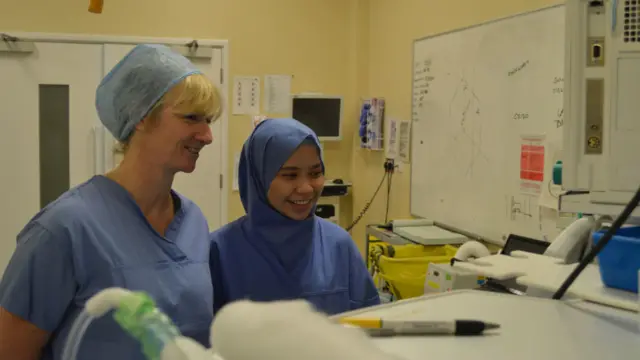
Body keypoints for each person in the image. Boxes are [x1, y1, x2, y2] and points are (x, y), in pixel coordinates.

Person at [0, 44, 222, 360]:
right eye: (192, 118)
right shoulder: (64, 229)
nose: (207, 135)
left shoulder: (193, 222)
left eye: (209, 120)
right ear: (142, 116)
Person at [210, 118, 380, 316]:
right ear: (258, 179)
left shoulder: (338, 245)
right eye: (290, 176)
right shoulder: (220, 251)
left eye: (316, 173)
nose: (307, 188)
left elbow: (369, 322)